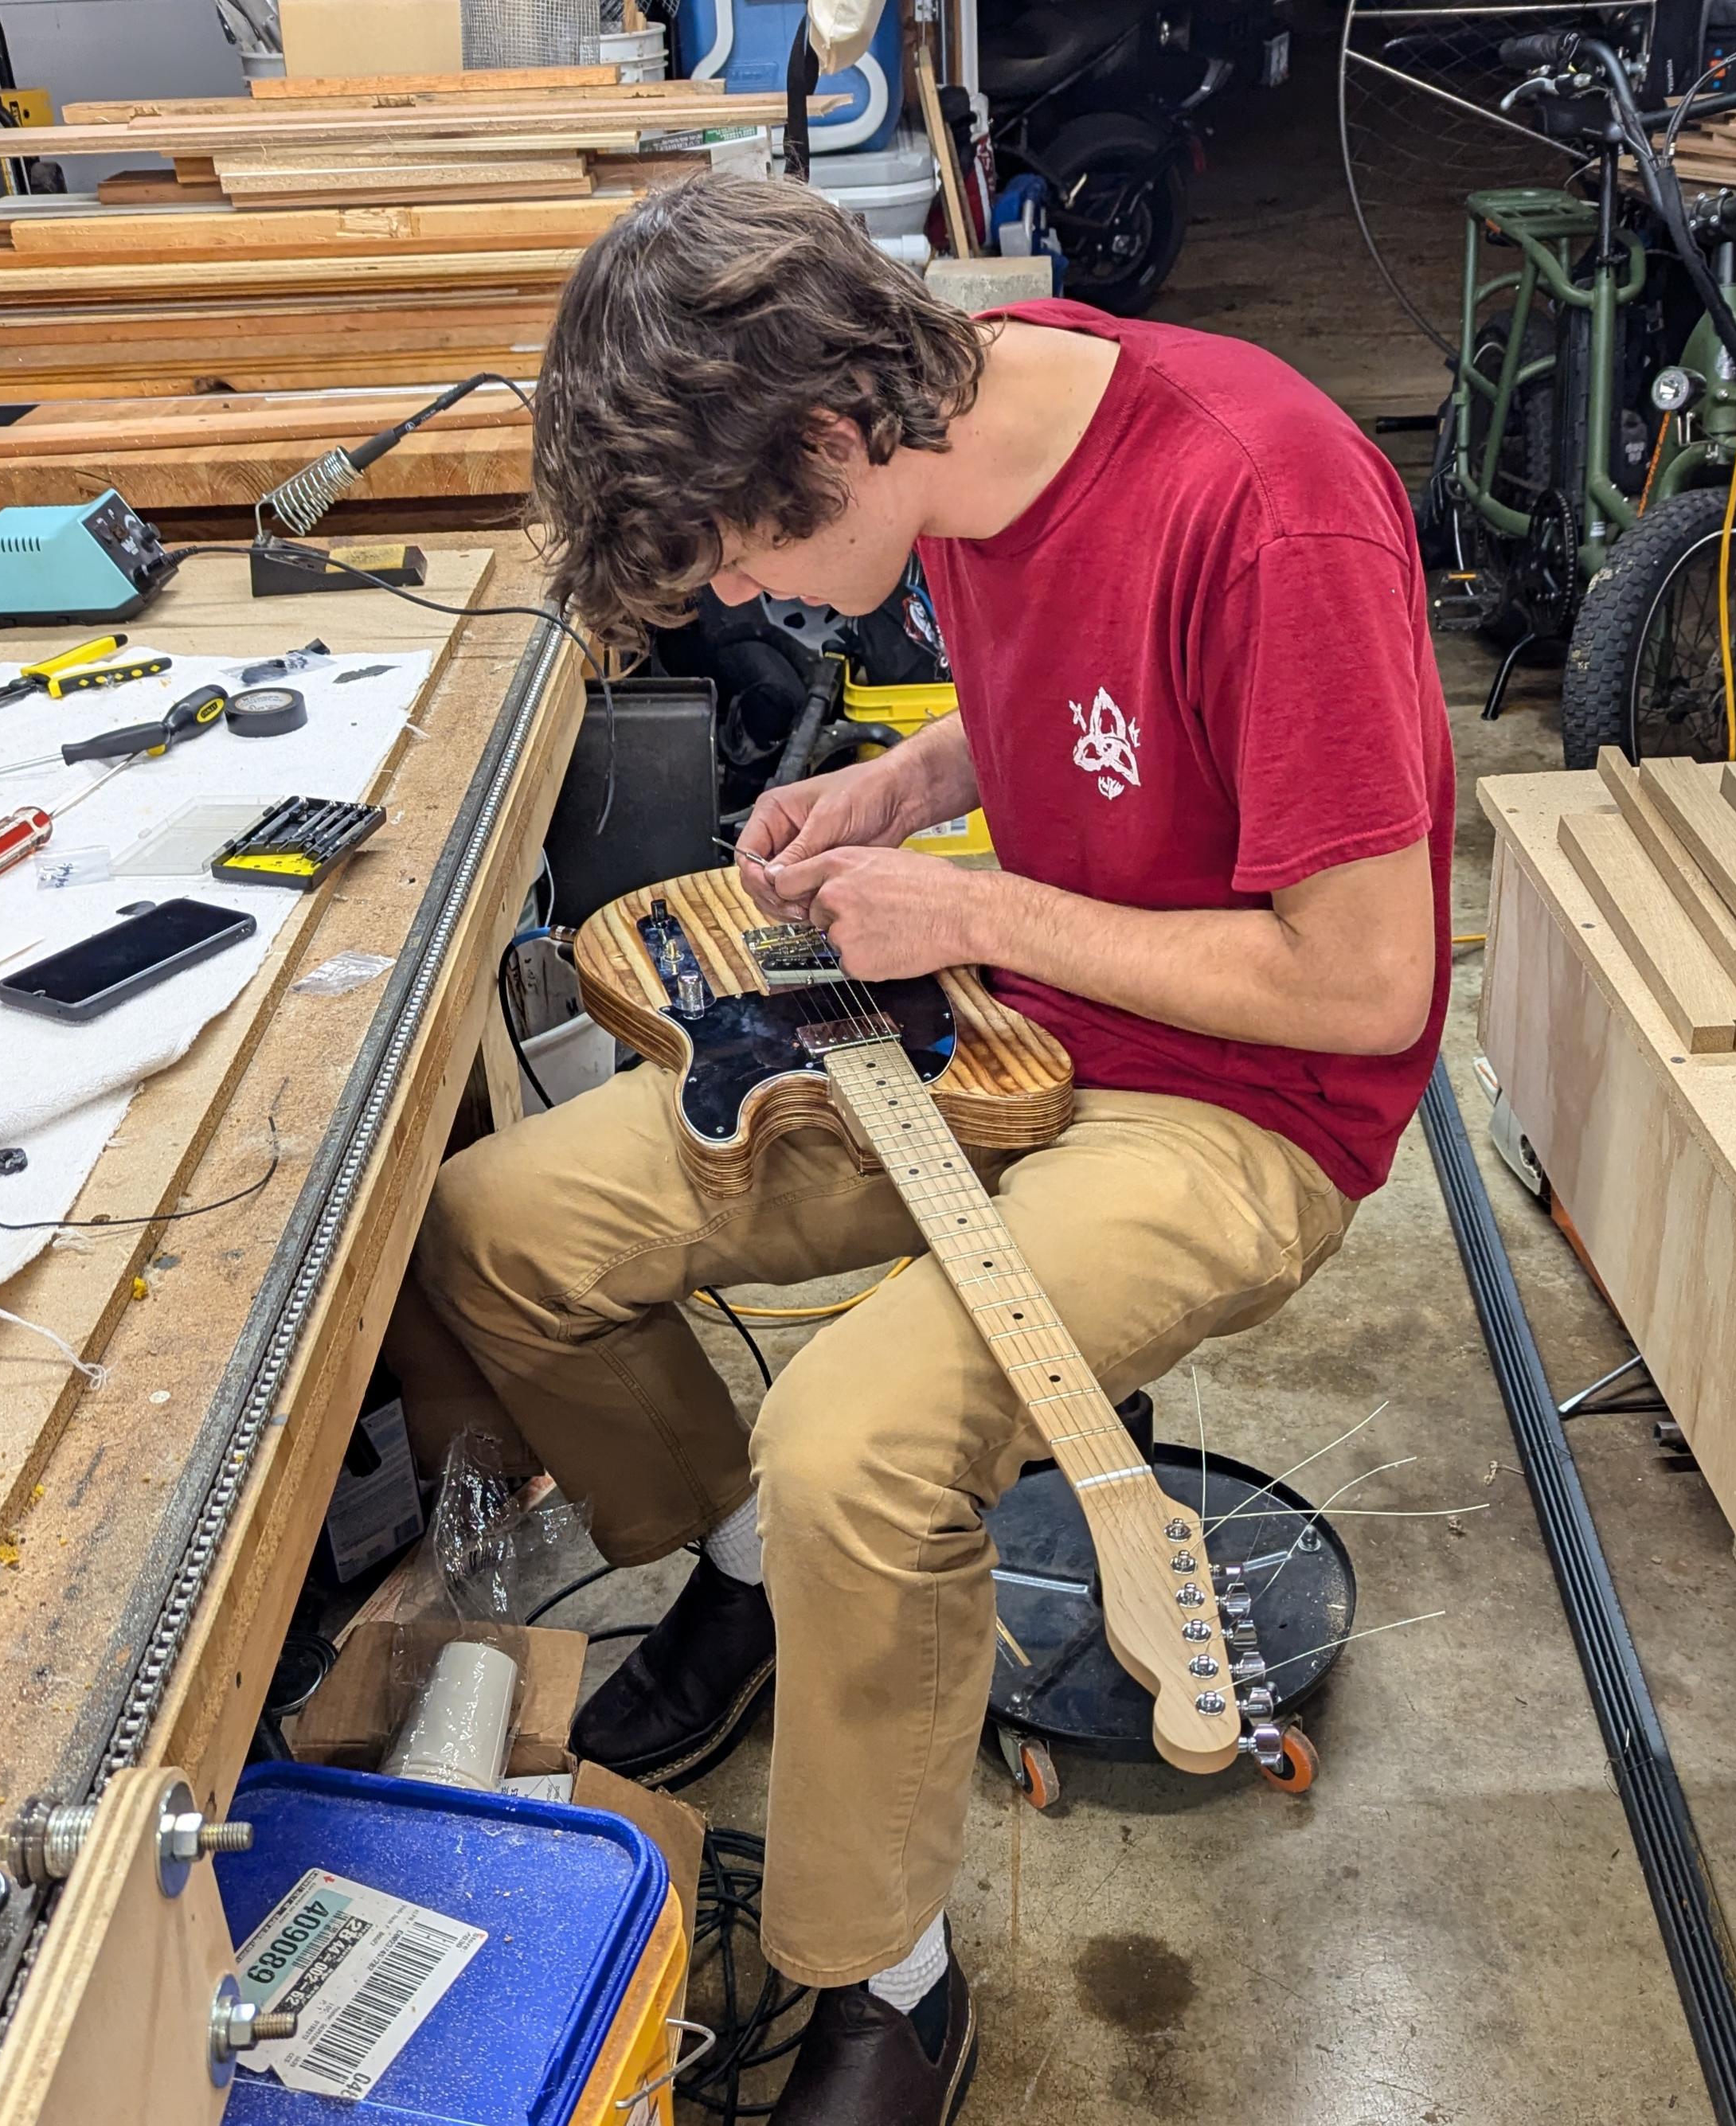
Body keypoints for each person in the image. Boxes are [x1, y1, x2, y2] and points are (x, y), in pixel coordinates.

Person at [391, 172, 1453, 2126]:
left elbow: (1369, 987)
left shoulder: (1263, 495)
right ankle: (743, 1568)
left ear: (826, 431)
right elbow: (1088, 706)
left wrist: (973, 913)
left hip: (1237, 1098)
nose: (731, 601)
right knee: (491, 1229)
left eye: (730, 552)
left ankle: (888, 1975)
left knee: (859, 1440)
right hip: (989, 1029)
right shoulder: (956, 449)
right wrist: (922, 777)